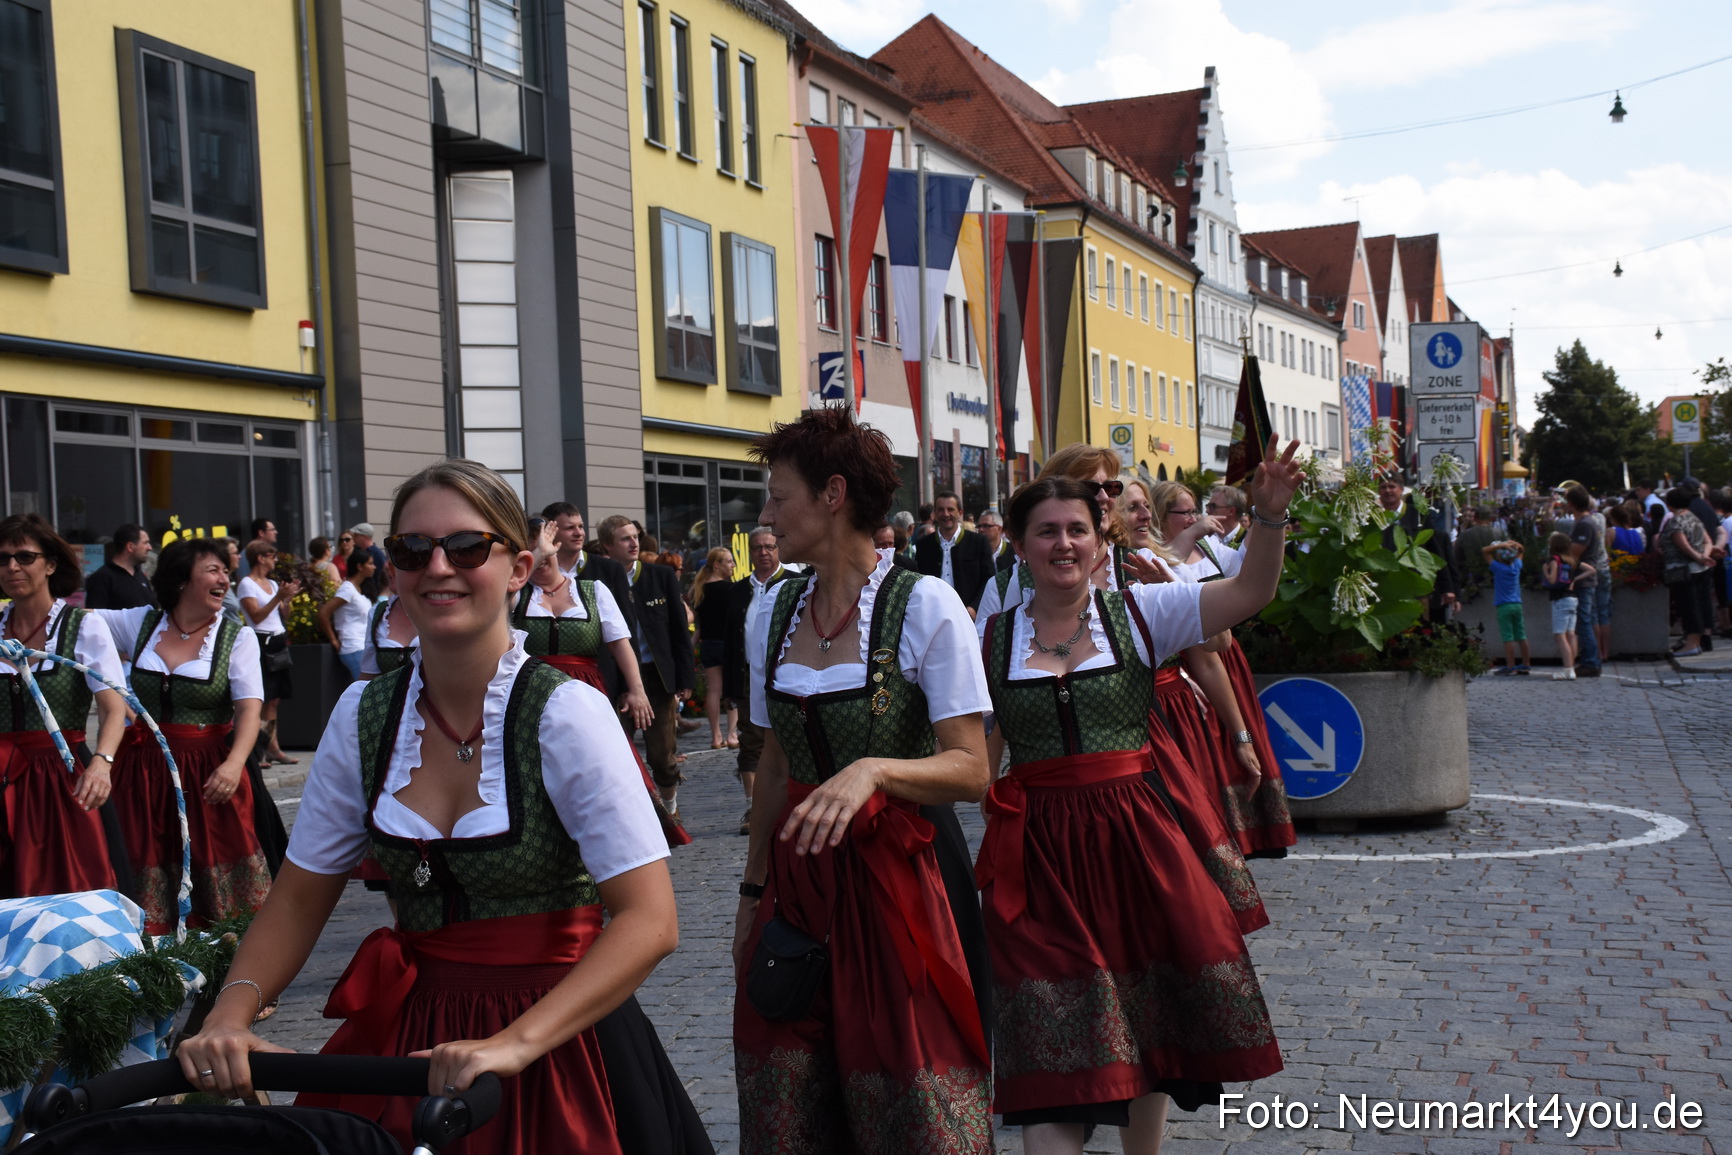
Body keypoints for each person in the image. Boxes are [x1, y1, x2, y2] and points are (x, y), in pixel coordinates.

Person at [177, 459, 697, 1155]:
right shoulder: (364, 714)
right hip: (416, 1037)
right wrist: (231, 1011)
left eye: (467, 547)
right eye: (413, 550)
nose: (438, 567)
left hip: (560, 1036)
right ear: (392, 571)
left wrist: (514, 1044)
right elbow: (299, 894)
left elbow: (650, 919)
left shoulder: (565, 711)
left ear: (516, 568)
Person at [977, 462, 1295, 1152]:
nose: (1063, 544)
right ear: (1022, 545)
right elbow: (979, 760)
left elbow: (1250, 591)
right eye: (1046, 531)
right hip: (1042, 863)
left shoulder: (1144, 611)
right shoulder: (993, 638)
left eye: (1077, 531)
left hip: (1137, 842)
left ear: (1099, 541)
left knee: (1147, 1013)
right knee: (1048, 1033)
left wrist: (1267, 517)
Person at [732, 407, 995, 1153]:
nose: (768, 515)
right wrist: (752, 894)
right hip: (800, 878)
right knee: (784, 1087)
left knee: (908, 1096)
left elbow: (971, 767)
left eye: (780, 497)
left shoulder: (925, 605)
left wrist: (873, 768)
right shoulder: (771, 609)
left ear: (833, 494)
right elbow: (778, 762)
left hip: (903, 878)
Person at [95, 538, 268, 932]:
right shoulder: (140, 623)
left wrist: (234, 765)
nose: (225, 577)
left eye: (226, 570)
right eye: (213, 569)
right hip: (141, 768)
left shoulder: (235, 637)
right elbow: (76, 622)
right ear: (179, 580)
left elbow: (249, 710)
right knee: (145, 857)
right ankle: (157, 964)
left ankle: (240, 969)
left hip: (208, 768)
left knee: (219, 861)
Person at [1145, 481, 1297, 861]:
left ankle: (1249, 832)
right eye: (1185, 512)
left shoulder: (1209, 551)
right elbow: (1171, 565)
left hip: (1216, 660)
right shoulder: (1161, 558)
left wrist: (1266, 519)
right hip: (1184, 670)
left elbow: (1250, 576)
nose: (1194, 518)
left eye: (1195, 511)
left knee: (1234, 745)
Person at [0, 514, 130, 899]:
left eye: (25, 557)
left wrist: (102, 764)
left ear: (51, 564)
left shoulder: (83, 626)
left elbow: (113, 707)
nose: (11, 567)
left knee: (74, 890)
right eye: (3, 558)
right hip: (3, 775)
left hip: (63, 778)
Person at [598, 514, 694, 818]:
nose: (634, 543)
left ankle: (671, 809)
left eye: (636, 536)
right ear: (607, 546)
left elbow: (679, 631)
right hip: (615, 679)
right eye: (625, 538)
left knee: (661, 753)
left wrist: (685, 677)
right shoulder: (597, 580)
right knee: (615, 751)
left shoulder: (659, 576)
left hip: (656, 677)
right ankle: (628, 814)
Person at [722, 528, 792, 835]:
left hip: (787, 675)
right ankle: (754, 807)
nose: (763, 552)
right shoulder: (737, 591)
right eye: (757, 548)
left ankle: (791, 801)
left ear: (778, 549)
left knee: (788, 738)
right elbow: (729, 641)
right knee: (750, 741)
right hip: (749, 675)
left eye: (769, 547)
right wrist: (728, 689)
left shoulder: (795, 582)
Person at [238, 540, 302, 765]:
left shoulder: (273, 584)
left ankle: (272, 747)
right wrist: (278, 597)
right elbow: (255, 616)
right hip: (260, 643)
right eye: (271, 556)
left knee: (274, 700)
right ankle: (258, 749)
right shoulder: (247, 584)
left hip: (277, 641)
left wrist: (287, 599)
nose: (275, 560)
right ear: (260, 558)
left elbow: (283, 616)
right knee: (260, 698)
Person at [1378, 475, 1458, 619]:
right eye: (1383, 487)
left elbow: (1435, 552)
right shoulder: (1372, 516)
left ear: (1401, 490)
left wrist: (1447, 588)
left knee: (1418, 632)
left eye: (1392, 487)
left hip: (1415, 587)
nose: (1388, 491)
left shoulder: (1418, 515)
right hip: (1385, 588)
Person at [914, 490, 998, 614]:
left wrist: (974, 607)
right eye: (941, 510)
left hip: (968, 615)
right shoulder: (924, 545)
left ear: (960, 513)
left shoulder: (978, 542)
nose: (946, 514)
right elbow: (918, 580)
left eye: (950, 509)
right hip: (934, 614)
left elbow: (989, 579)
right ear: (935, 514)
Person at [690, 546, 739, 749]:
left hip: (708, 645)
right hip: (728, 644)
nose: (733, 565)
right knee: (732, 690)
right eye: (728, 561)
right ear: (717, 565)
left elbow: (700, 626)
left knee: (713, 690)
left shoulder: (699, 590)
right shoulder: (730, 589)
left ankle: (716, 736)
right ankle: (732, 735)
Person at [1660, 487, 1714, 657]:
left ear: (1669, 504)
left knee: (1689, 607)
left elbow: (1683, 545)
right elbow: (1708, 541)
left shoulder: (1676, 521)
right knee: (1699, 604)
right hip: (1700, 568)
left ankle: (1691, 644)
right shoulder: (1694, 518)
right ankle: (1696, 642)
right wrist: (1704, 556)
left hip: (1682, 570)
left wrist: (1698, 557)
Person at [1563, 486, 1608, 676]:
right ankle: (1590, 659)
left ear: (1572, 504)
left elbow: (1574, 552)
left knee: (1584, 621)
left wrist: (1557, 555)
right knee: (1585, 620)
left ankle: (1591, 662)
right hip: (1584, 578)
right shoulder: (1586, 522)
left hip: (1583, 579)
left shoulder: (1585, 524)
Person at [318, 547, 379, 680]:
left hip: (363, 646)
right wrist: (333, 639)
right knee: (365, 691)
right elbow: (324, 613)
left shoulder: (361, 589)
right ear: (359, 566)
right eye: (370, 563)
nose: (374, 567)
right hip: (352, 647)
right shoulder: (347, 589)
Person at [1543, 531, 1589, 680]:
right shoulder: (1572, 560)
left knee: (1559, 635)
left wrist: (1545, 570)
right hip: (1573, 598)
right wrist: (1574, 580)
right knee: (1570, 634)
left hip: (1560, 599)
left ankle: (1568, 669)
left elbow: (1552, 580)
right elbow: (1592, 570)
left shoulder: (1555, 560)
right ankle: (1572, 666)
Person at [1482, 540, 1531, 675]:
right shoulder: (1516, 565)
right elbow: (1521, 550)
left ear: (1499, 556)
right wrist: (1513, 544)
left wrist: (1501, 545)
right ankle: (1526, 664)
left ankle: (1511, 666)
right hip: (1517, 604)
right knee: (1521, 635)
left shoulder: (1497, 567)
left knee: (1508, 637)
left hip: (1503, 605)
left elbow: (1485, 550)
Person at [83, 523, 156, 610]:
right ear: (130, 547)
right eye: (145, 543)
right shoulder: (102, 578)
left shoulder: (139, 575)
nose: (150, 548)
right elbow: (94, 617)